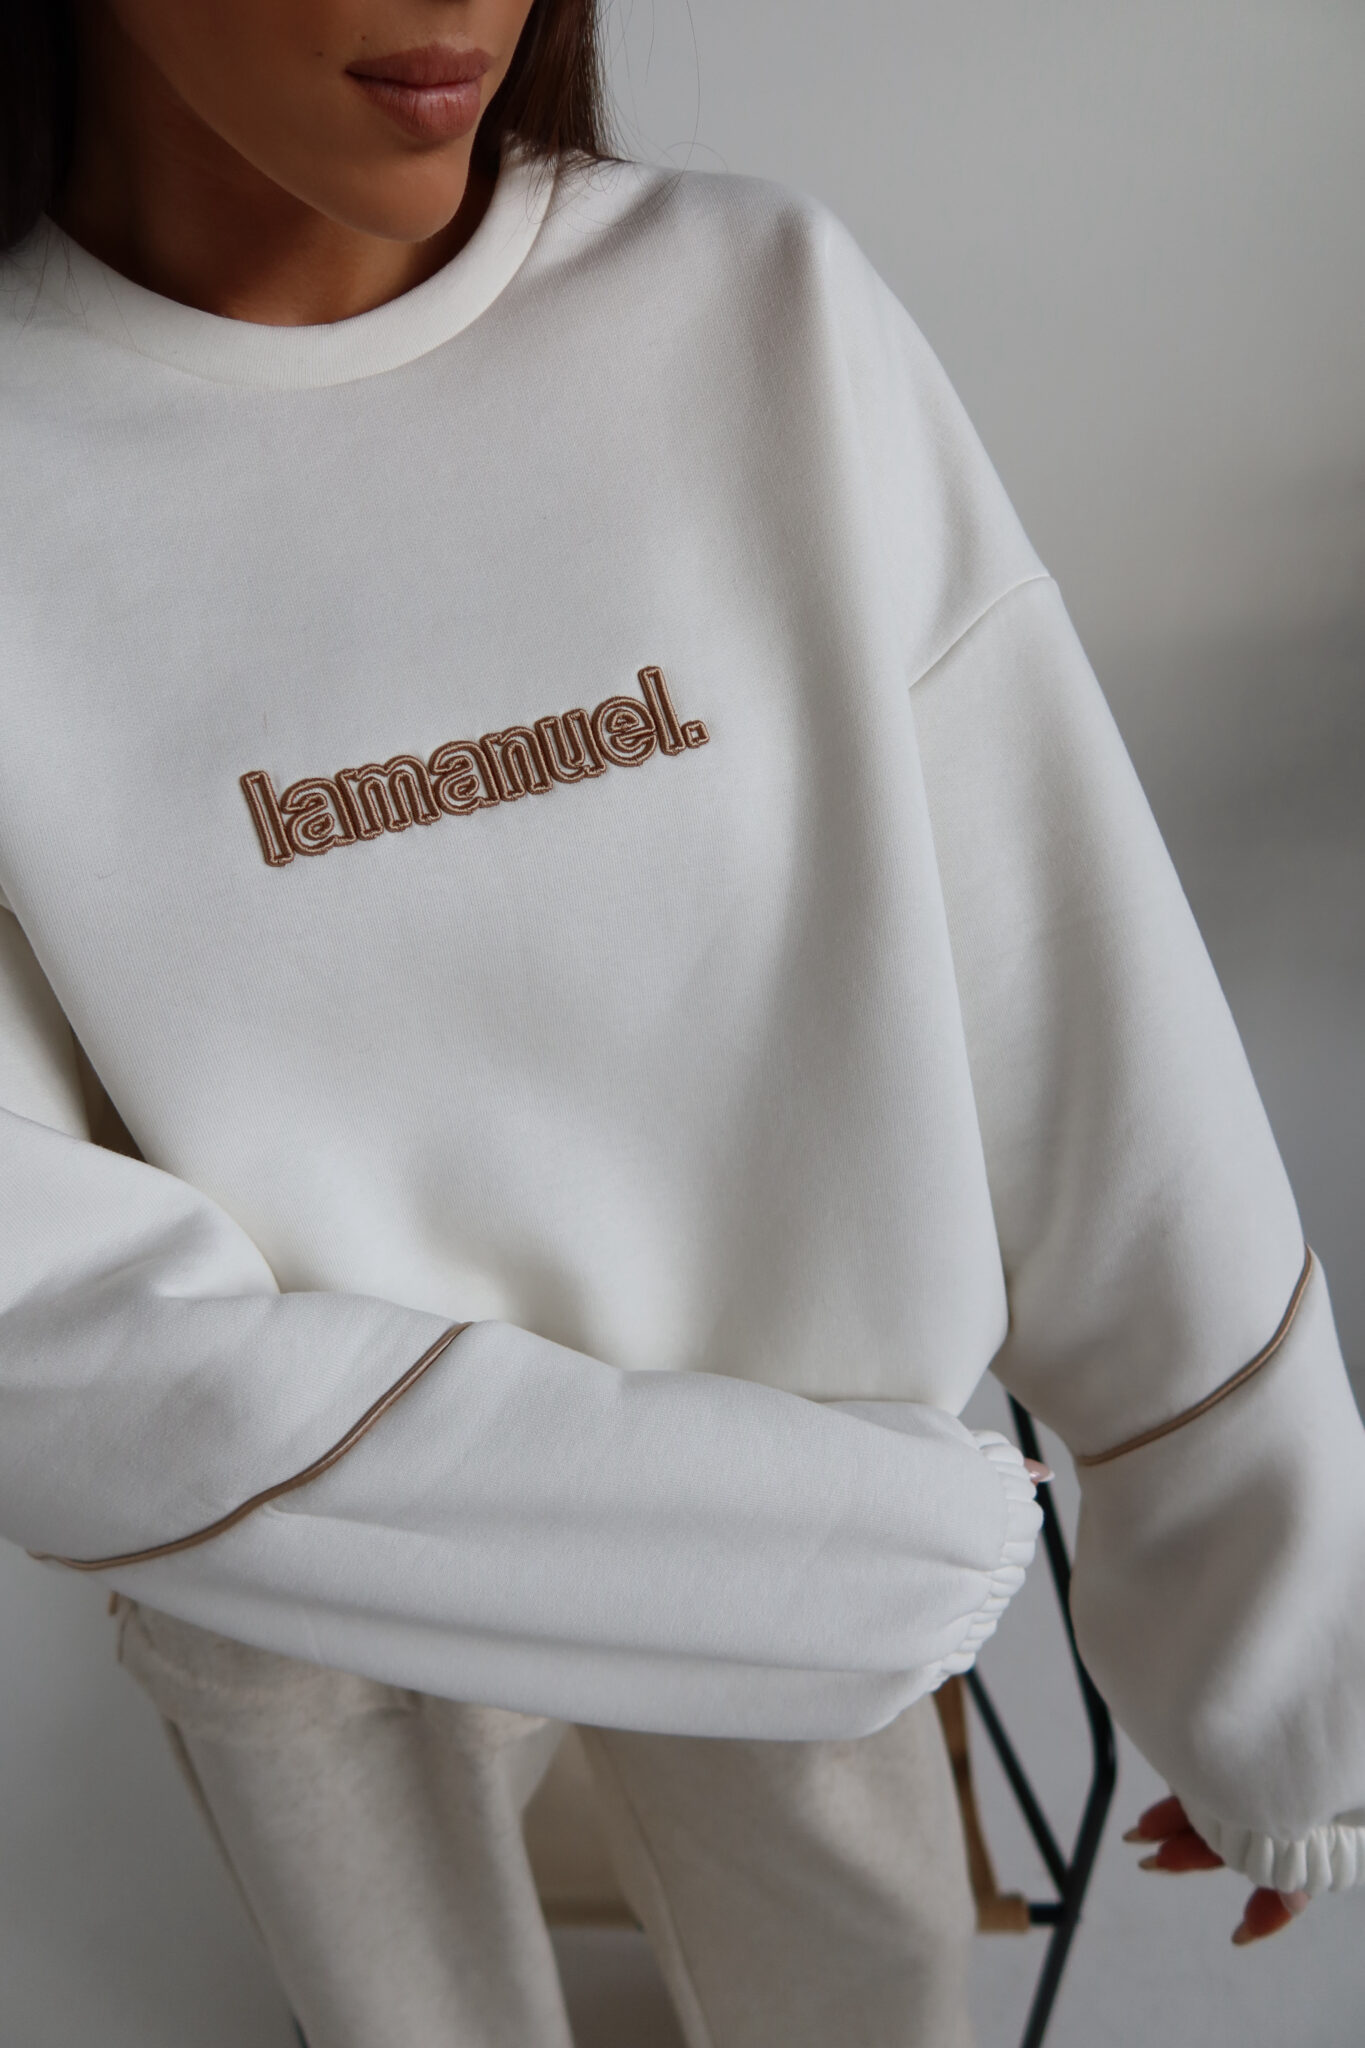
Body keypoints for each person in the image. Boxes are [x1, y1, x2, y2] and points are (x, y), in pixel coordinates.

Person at [0, 3, 1360, 2045]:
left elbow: (1082, 1007)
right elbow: (40, 1314)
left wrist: (1280, 1677)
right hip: (342, 1630)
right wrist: (809, 1543)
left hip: (806, 1562)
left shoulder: (754, 319)